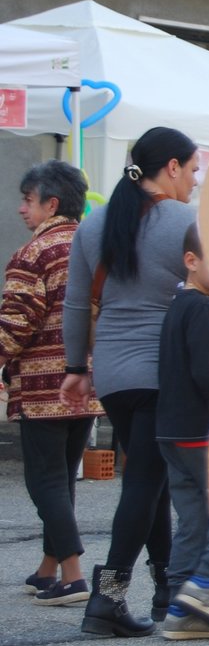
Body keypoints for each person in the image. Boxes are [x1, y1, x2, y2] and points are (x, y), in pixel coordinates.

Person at [61, 127, 209, 638]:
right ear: (170, 167)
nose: (193, 182)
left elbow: (78, 303)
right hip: (165, 373)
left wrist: (77, 368)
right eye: (191, 171)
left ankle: (168, 589)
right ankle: (108, 596)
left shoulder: (94, 225)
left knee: (155, 479)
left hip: (113, 375)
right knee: (145, 483)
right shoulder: (186, 221)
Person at [1, 160, 102, 605]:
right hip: (89, 381)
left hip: (43, 386)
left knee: (45, 481)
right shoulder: (95, 246)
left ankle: (74, 574)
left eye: (28, 200)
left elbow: (16, 321)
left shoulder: (34, 253)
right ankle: (49, 567)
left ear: (51, 203)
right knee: (63, 477)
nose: (23, 209)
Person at [156, 224, 209, 640]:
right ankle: (204, 582)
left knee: (192, 519)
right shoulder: (205, 309)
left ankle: (179, 606)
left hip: (170, 430)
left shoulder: (177, 305)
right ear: (192, 262)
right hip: (202, 431)